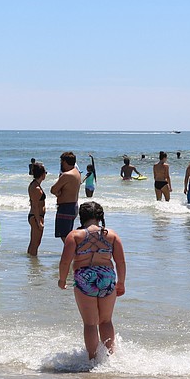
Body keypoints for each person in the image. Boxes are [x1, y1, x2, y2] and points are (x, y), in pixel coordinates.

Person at [58, 201, 126, 360]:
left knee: (90, 323)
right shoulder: (112, 235)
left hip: (85, 278)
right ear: (100, 217)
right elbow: (121, 262)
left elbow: (65, 262)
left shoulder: (74, 235)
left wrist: (62, 280)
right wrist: (121, 282)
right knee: (106, 320)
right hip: (107, 277)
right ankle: (109, 357)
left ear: (81, 217)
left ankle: (92, 360)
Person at [50, 152, 81, 242]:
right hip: (73, 205)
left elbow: (53, 189)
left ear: (65, 162)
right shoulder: (77, 172)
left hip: (66, 207)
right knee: (67, 234)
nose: (61, 164)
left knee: (65, 236)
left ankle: (73, 254)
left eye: (62, 162)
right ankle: (72, 253)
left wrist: (58, 193)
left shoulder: (67, 175)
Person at [27, 162, 47, 256]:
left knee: (34, 243)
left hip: (36, 216)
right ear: (42, 174)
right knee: (35, 243)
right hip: (36, 216)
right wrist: (39, 221)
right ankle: (33, 265)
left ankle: (31, 261)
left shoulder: (35, 185)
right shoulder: (36, 188)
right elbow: (34, 205)